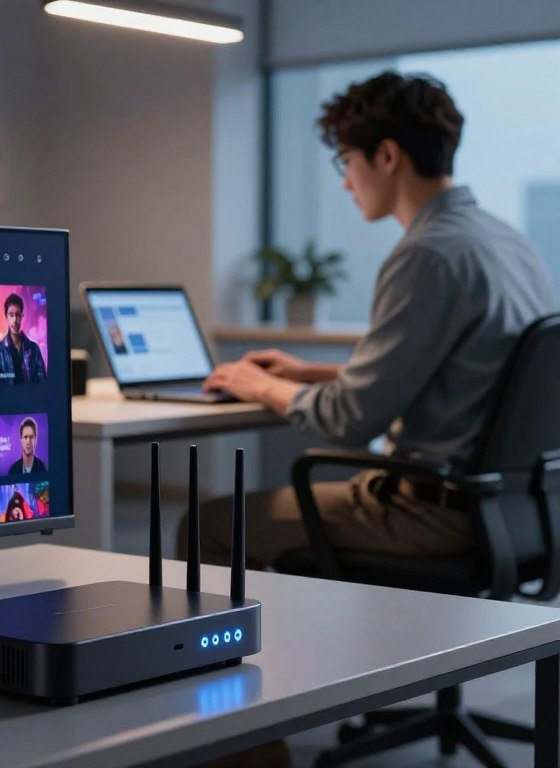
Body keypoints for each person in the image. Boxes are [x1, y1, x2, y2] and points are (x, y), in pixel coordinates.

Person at [181, 71, 554, 571]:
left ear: (387, 156)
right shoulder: (505, 241)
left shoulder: (427, 254)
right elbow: (475, 377)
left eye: (347, 161)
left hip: (429, 513)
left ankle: (239, 652)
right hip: (521, 510)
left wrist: (258, 385)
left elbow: (350, 421)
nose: (345, 180)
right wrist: (313, 373)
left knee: (208, 525)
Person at [0, 292, 47, 384]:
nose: (15, 320)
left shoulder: (34, 348)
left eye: (18, 315)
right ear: (6, 316)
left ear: (22, 316)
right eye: (11, 315)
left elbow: (42, 382)